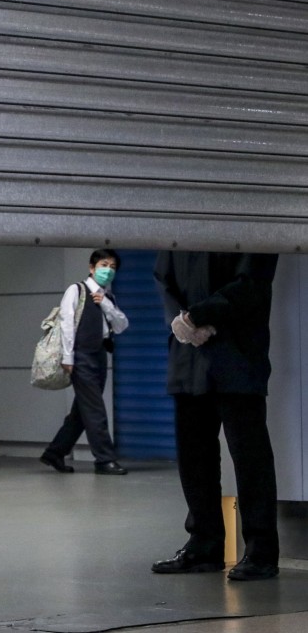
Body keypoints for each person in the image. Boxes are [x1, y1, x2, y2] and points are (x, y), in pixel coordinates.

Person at [151, 251, 280, 581]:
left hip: (236, 352)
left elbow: (252, 283)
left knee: (249, 457)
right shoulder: (178, 226)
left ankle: (261, 552)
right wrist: (181, 322)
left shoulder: (247, 218)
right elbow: (162, 277)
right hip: (187, 354)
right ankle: (203, 545)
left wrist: (197, 317)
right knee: (193, 456)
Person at [40, 249, 129, 475]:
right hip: (81, 356)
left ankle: (55, 452)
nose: (108, 270)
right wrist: (68, 357)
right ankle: (104, 459)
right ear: (92, 268)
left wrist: (106, 305)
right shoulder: (76, 290)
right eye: (104, 265)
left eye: (113, 267)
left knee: (83, 410)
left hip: (99, 356)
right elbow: (67, 323)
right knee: (96, 409)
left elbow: (121, 325)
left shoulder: (108, 297)